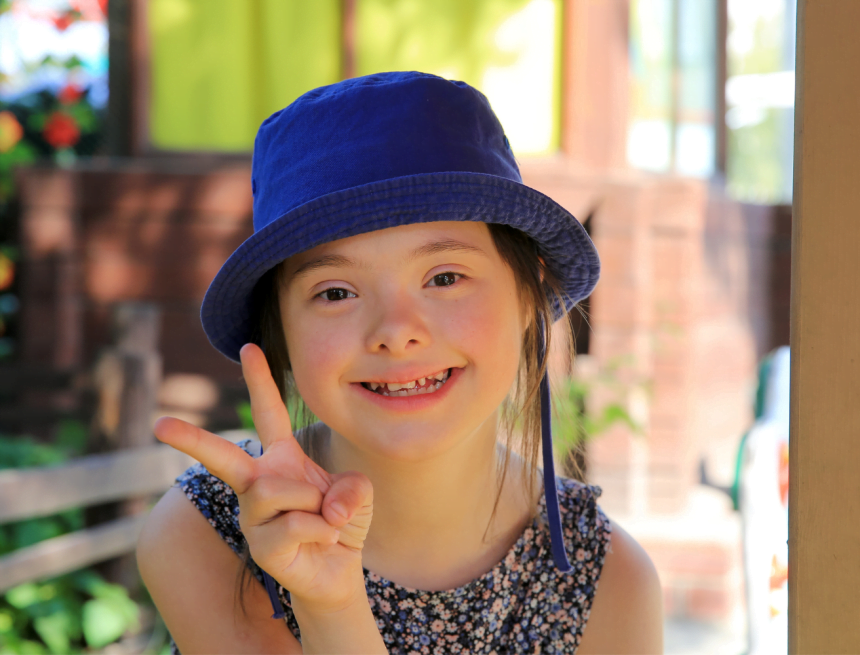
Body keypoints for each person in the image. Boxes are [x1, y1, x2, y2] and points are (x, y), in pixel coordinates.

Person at [137, 71, 663, 654]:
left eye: (444, 277)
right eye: (335, 292)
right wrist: (327, 604)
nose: (396, 333)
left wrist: (333, 602)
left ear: (527, 296)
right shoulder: (207, 533)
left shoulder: (609, 582)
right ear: (280, 331)